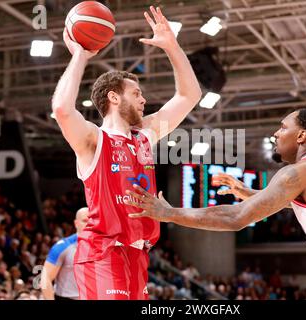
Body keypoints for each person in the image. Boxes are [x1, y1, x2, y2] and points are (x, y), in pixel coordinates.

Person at [126, 108, 306, 300]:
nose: (276, 133)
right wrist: (251, 193)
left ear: (302, 136)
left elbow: (236, 218)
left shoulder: (299, 172)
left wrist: (170, 213)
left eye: (283, 127)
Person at [51, 5, 201, 300]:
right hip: (103, 252)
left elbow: (189, 95)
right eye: (137, 93)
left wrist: (172, 46)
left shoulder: (145, 135)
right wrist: (80, 56)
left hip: (139, 254)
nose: (144, 99)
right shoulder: (93, 139)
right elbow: (62, 109)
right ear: (114, 97)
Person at [40, 208, 89, 300]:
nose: (89, 224)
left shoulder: (104, 245)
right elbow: (45, 279)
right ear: (76, 223)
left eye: (92, 220)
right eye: (85, 221)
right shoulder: (63, 247)